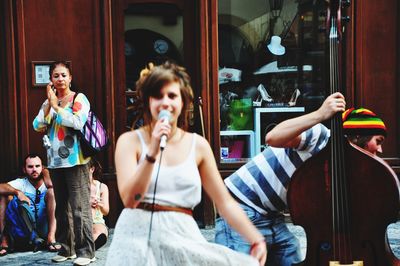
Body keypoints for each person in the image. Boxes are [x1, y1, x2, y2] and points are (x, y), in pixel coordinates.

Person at [106, 62, 266, 266]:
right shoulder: (129, 142)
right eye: (157, 96)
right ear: (147, 101)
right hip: (136, 240)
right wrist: (152, 152)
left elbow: (224, 202)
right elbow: (130, 199)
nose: (165, 103)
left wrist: (256, 238)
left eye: (172, 96)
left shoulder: (198, 145)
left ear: (183, 102)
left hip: (183, 237)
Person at [215, 92, 389, 265]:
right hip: (241, 207)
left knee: (291, 256)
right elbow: (272, 137)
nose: (380, 150)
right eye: (378, 141)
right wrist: (320, 114)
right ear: (358, 136)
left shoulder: (344, 165)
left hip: (272, 216)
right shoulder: (320, 137)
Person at [33, 61, 95, 266]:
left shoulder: (79, 98)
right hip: (55, 161)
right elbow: (37, 125)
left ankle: (86, 252)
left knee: (79, 208)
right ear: (51, 79)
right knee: (62, 208)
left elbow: (77, 121)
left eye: (63, 75)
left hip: (76, 161)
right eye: (56, 76)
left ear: (70, 77)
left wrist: (56, 107)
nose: (60, 79)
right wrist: (49, 105)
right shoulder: (49, 101)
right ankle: (67, 248)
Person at [0, 153, 60, 256]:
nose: (34, 170)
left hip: (44, 228)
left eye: (37, 166)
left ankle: (51, 238)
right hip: (26, 230)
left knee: (52, 192)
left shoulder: (48, 183)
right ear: (24, 169)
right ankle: (4, 240)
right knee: (5, 196)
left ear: (42, 167)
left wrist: (46, 172)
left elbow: (50, 184)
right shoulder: (22, 183)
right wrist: (18, 192)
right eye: (30, 167)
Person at [88, 159, 109, 250]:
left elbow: (106, 212)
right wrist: (87, 203)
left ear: (92, 169)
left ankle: (90, 246)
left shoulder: (101, 187)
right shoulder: (76, 188)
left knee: (100, 232)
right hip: (81, 220)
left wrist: (100, 204)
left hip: (96, 221)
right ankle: (85, 245)